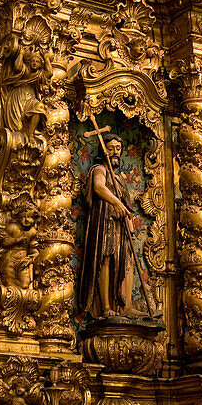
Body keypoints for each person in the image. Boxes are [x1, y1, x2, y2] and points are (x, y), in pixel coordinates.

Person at [77, 133, 139, 319]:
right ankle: (105, 306)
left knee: (126, 262)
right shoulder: (100, 169)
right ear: (103, 150)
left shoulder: (119, 177)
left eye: (118, 149)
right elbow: (99, 187)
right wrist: (115, 203)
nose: (115, 152)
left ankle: (125, 306)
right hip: (104, 221)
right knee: (106, 259)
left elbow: (126, 203)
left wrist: (128, 219)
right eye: (110, 148)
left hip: (120, 225)